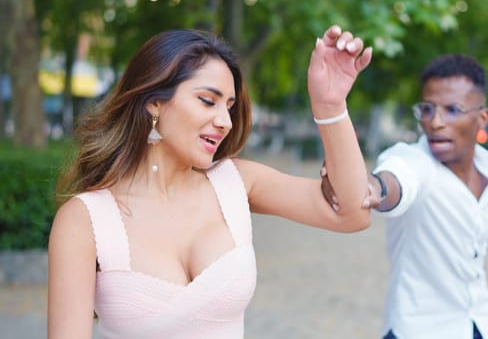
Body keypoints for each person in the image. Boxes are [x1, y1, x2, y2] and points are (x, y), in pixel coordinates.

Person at [47, 25, 372, 338]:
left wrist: (330, 105)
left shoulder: (237, 182)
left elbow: (352, 213)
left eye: (229, 107)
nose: (225, 122)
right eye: (208, 100)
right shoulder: (85, 220)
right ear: (154, 103)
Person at [322, 54, 488, 339]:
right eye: (427, 109)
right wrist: (368, 187)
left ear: (482, 119)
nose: (435, 122)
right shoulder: (415, 162)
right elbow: (391, 181)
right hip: (419, 330)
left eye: (452, 110)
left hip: (481, 324)